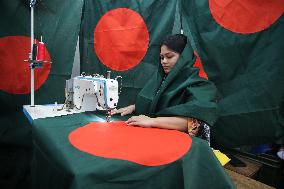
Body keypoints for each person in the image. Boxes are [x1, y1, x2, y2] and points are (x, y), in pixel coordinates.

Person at [111, 34, 218, 144]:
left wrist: (152, 121)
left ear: (183, 57)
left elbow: (194, 123)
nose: (164, 61)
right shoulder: (162, 81)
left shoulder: (199, 85)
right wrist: (134, 107)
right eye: (162, 57)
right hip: (156, 138)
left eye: (169, 56)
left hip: (182, 146)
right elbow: (159, 101)